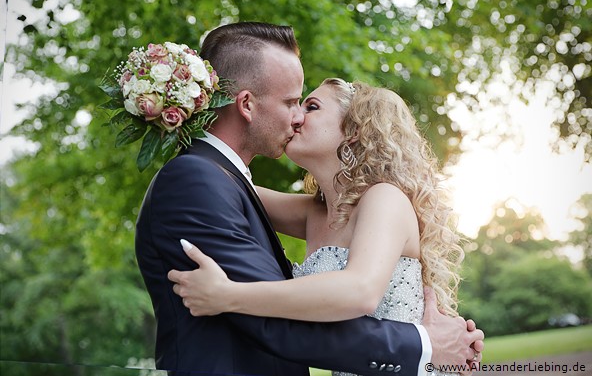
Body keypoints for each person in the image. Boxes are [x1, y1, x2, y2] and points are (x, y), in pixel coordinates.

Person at [136, 21, 483, 376]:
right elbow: (225, 184)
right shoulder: (311, 211)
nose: (297, 115)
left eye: (310, 106)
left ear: (352, 133)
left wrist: (227, 295)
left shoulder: (384, 199)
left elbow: (360, 290)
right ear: (246, 104)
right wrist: (179, 115)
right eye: (292, 102)